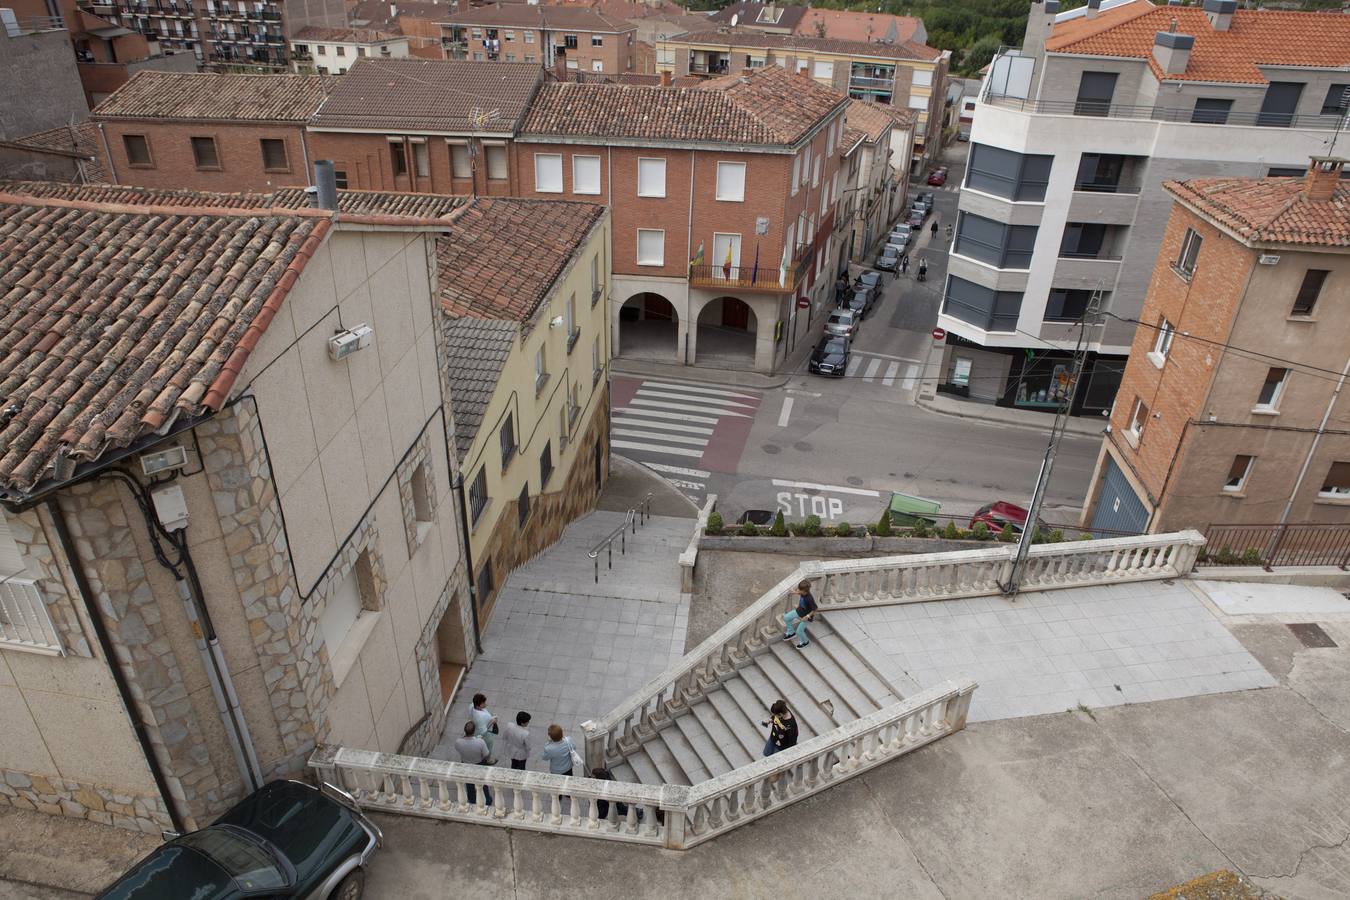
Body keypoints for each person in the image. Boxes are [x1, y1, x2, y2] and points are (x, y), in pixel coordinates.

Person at [453, 721, 493, 807]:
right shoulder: (480, 742)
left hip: (466, 763)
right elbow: (486, 755)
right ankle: (487, 800)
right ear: (474, 731)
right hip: (479, 763)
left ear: (464, 731)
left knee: (469, 782)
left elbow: (458, 748)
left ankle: (472, 799)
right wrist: (479, 739)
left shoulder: (458, 742)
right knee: (482, 782)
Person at [782, 579, 818, 648]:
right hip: (800, 611)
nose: (798, 590)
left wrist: (807, 616)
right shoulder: (803, 593)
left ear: (805, 591)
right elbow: (800, 593)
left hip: (806, 617)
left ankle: (805, 642)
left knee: (799, 631)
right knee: (786, 617)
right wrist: (794, 592)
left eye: (800, 590)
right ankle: (791, 632)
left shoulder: (809, 598)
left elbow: (815, 609)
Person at [470, 693, 497, 764]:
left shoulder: (471, 706)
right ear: (479, 705)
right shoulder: (480, 717)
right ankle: (488, 760)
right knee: (488, 747)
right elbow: (483, 731)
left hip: (476, 730)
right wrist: (492, 722)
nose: (486, 704)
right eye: (484, 703)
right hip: (484, 736)